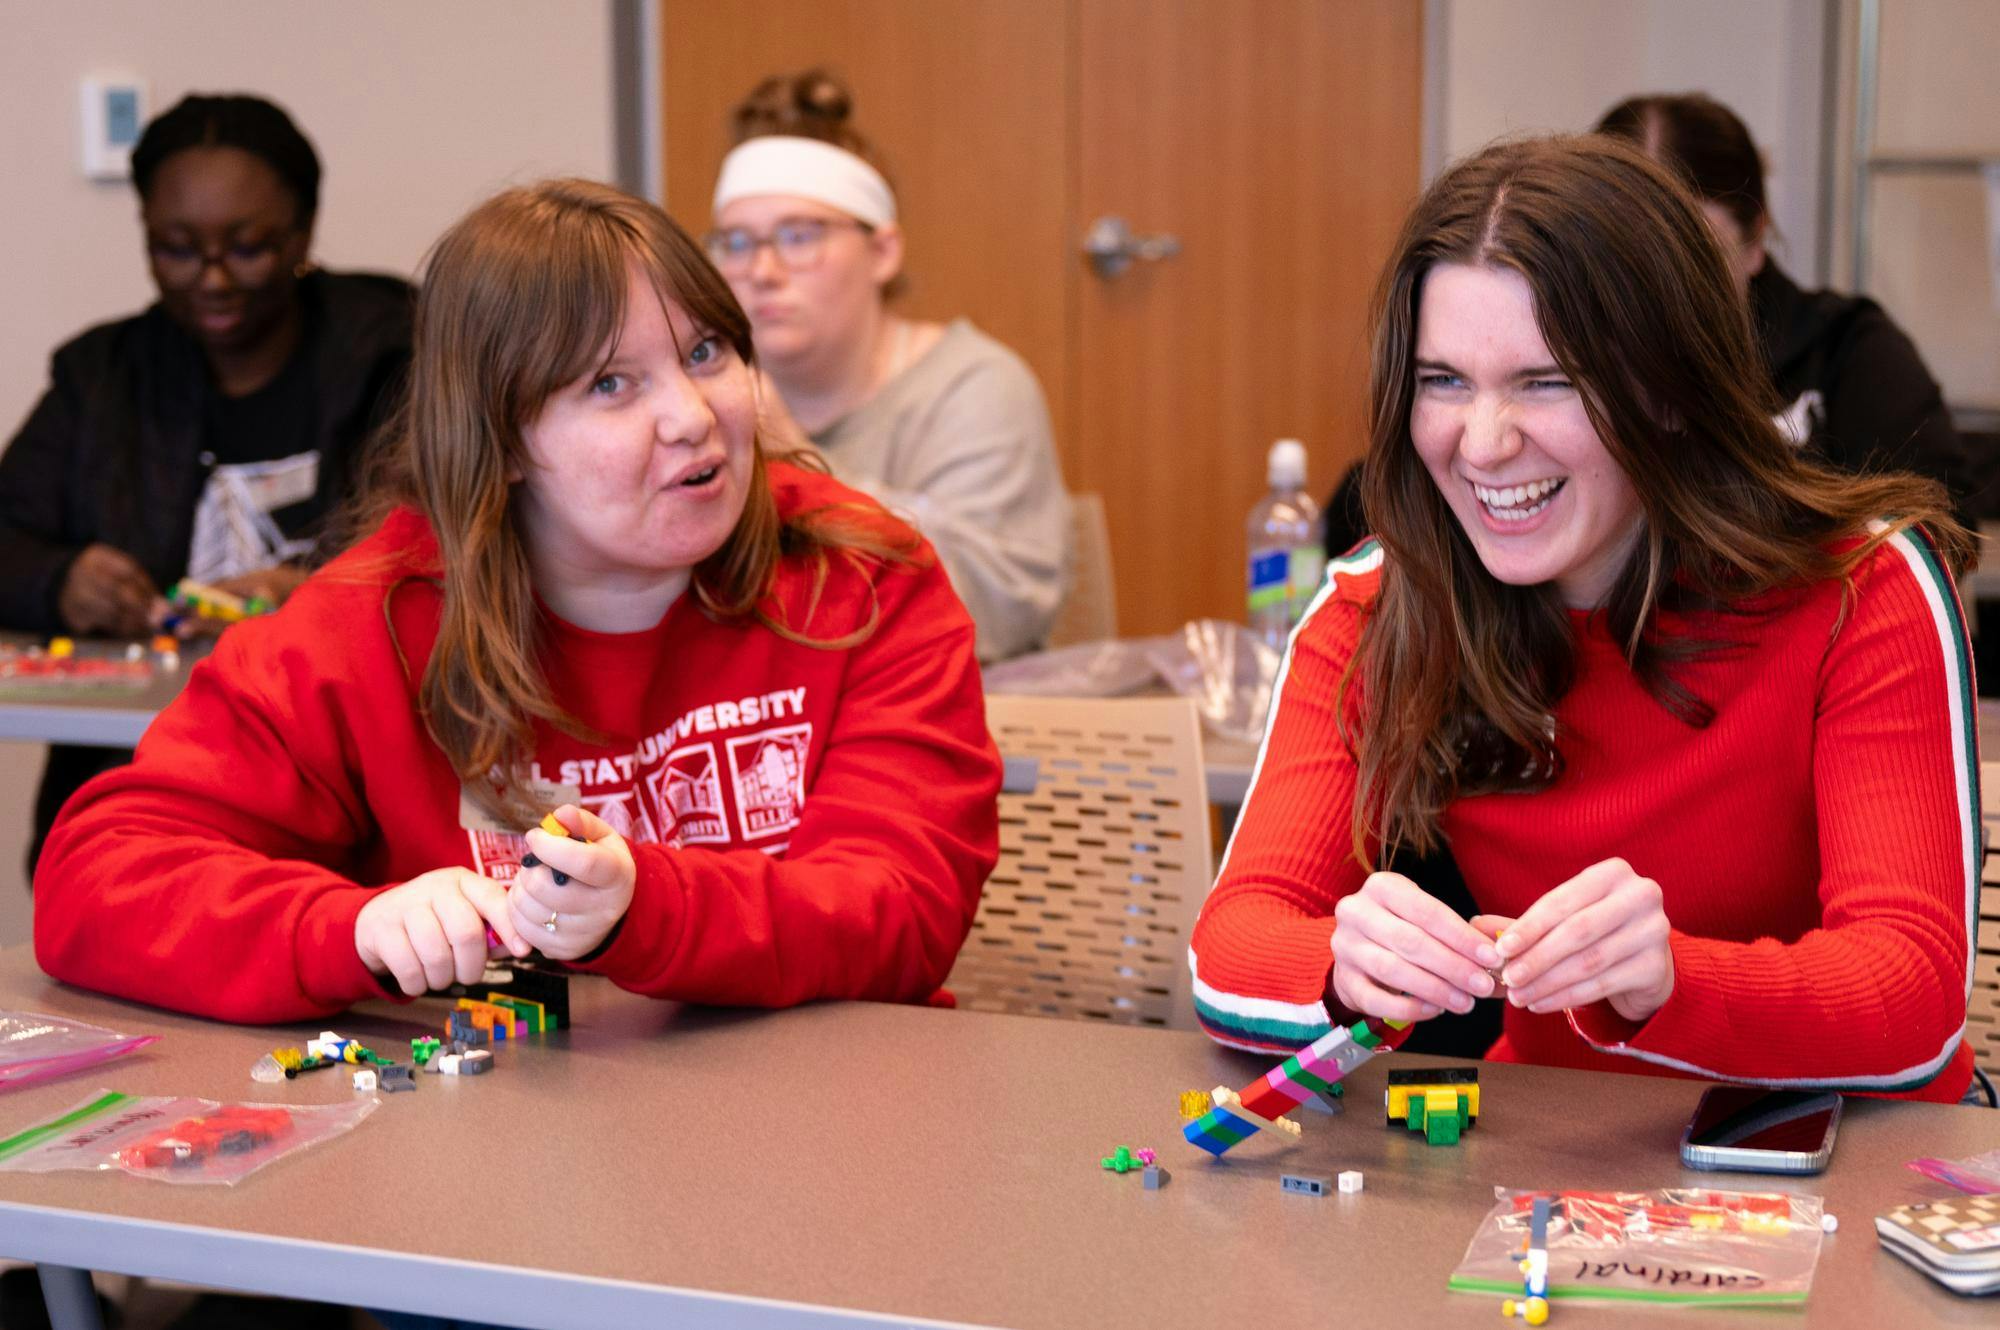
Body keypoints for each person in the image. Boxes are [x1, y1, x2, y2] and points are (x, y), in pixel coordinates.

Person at [33, 178, 1001, 1022]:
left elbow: (904, 909)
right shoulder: (368, 623)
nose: (691, 417)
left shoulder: (862, 573)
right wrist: (351, 926)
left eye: (706, 352)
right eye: (612, 384)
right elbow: (96, 880)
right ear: (496, 445)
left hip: (829, 1118)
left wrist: (645, 908)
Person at [1191, 135, 1978, 1105]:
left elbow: (1912, 996)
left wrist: (1671, 981)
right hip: (1547, 1147)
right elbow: (1229, 947)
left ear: (1671, 391)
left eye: (1547, 381)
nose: (1483, 443)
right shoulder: (1382, 603)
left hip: (1847, 1150)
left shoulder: (1866, 586)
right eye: (1443, 381)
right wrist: (1339, 969)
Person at [0, 93, 413, 871]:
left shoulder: (397, 354)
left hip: (350, 795)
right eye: (178, 249)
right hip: (141, 787)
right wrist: (60, 580)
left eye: (248, 248)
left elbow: (471, 537)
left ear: (303, 233)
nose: (213, 278)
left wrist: (320, 592)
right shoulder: (102, 376)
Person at [707, 69, 1071, 662]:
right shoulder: (699, 398)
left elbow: (998, 610)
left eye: (799, 236)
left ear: (882, 252)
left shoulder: (974, 388)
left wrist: (793, 455)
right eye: (737, 243)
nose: (762, 271)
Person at [1597, 92, 1970, 515]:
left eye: (1693, 254)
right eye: (1623, 256)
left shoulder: (1850, 352)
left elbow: (1938, 526)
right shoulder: (1567, 361)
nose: (1656, 287)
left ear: (1755, 239)